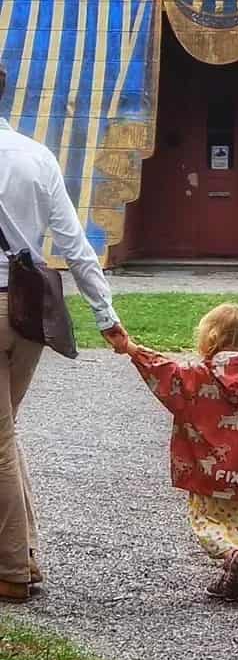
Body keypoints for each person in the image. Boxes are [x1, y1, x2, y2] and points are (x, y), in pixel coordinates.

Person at [0, 68, 128, 603]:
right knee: (5, 432)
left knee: (0, 440)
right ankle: (26, 555)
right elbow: (74, 244)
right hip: (28, 312)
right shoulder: (35, 156)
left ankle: (9, 568)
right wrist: (106, 314)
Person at [122, 302, 238, 601]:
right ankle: (234, 568)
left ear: (210, 338)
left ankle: (230, 554)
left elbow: (165, 372)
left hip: (207, 469)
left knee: (206, 519)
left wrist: (133, 349)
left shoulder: (199, 374)